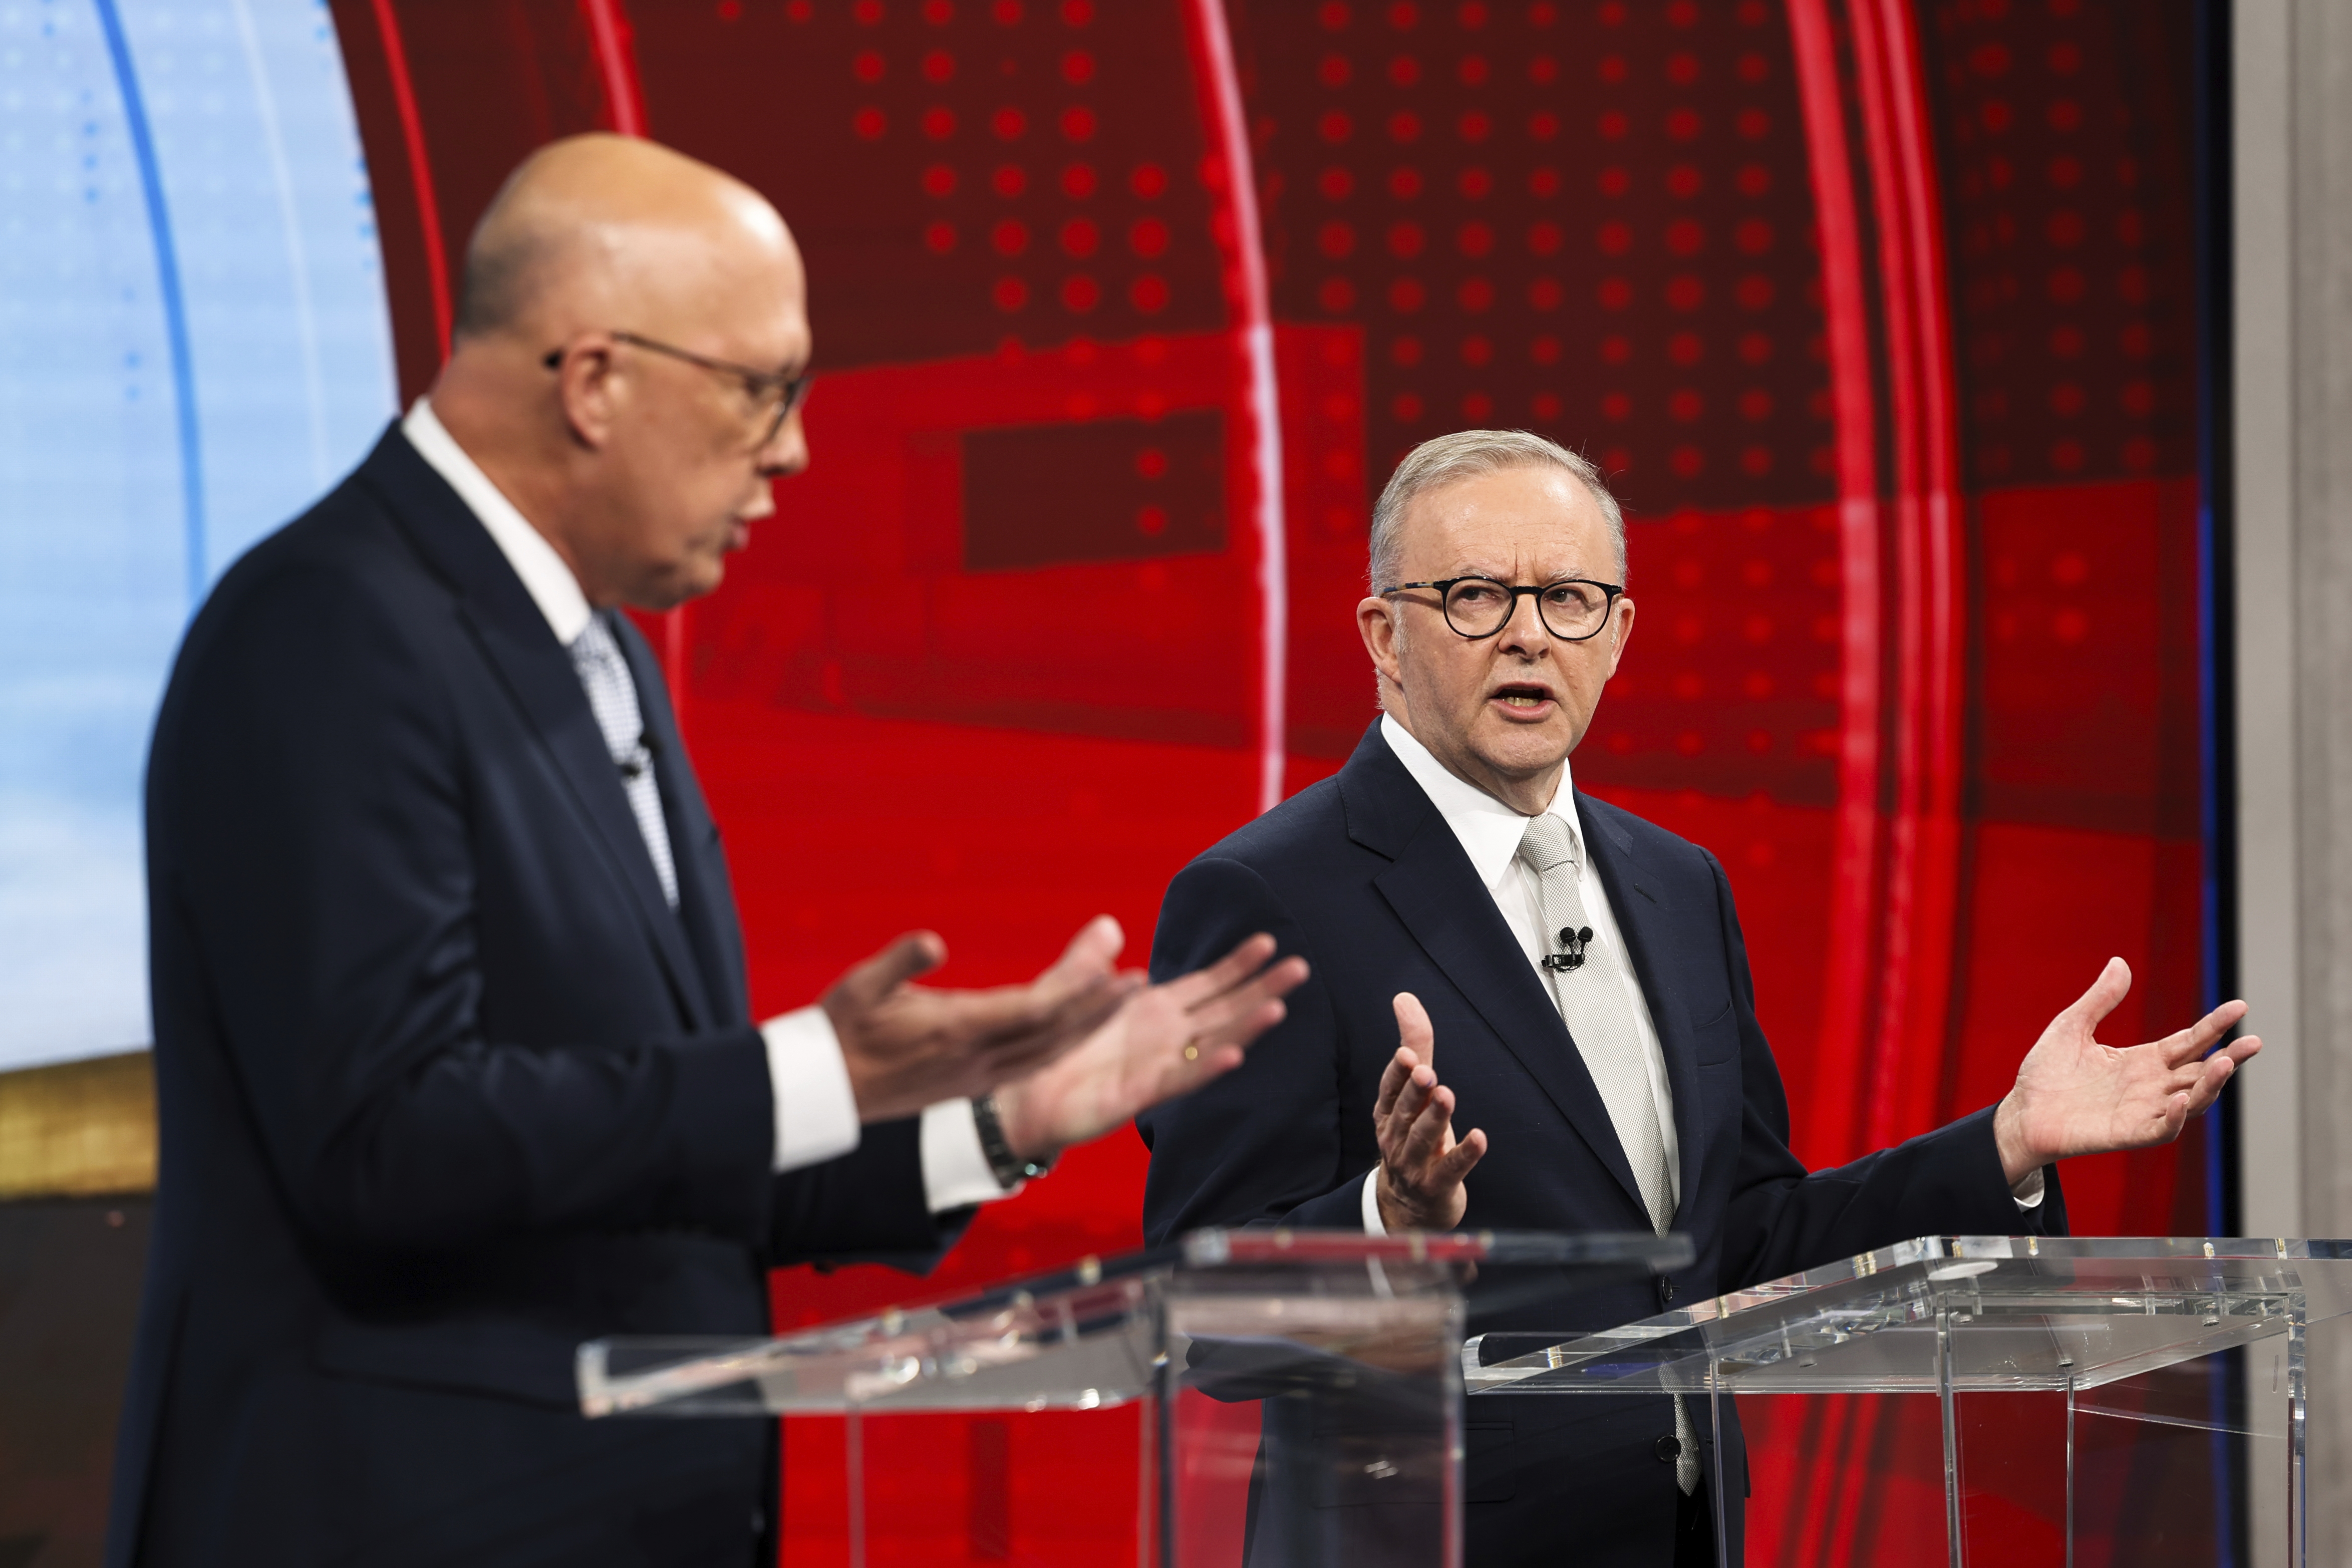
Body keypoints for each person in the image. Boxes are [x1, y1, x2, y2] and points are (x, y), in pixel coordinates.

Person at [108, 134, 1306, 1568]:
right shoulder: (325, 627)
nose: (794, 446)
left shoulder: (590, 650)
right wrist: (812, 1067)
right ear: (595, 378)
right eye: (760, 389)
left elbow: (657, 1159)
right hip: (397, 1517)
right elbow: (386, 1141)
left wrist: (1002, 1120)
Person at [1136, 428, 2258, 1567]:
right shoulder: (1265, 895)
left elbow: (1741, 1246)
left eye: (1568, 598)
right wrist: (1388, 1220)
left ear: (1616, 635)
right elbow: (1204, 1316)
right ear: (1382, 634)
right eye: (1475, 595)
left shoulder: (1677, 886)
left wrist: (2005, 1146)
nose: (1528, 633)